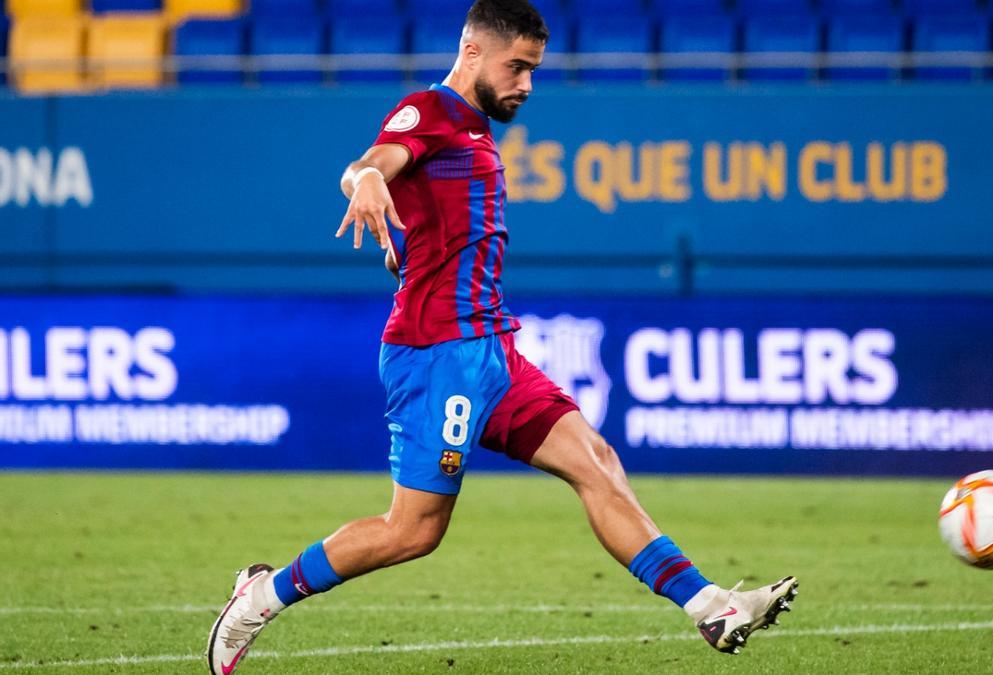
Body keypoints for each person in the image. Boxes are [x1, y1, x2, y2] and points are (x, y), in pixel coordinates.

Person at [205, 2, 795, 672]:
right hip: (436, 355)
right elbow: (371, 161)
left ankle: (710, 605)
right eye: (517, 66)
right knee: (414, 531)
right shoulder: (430, 112)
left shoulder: (476, 129)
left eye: (534, 70)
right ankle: (262, 594)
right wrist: (366, 179)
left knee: (594, 458)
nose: (527, 83)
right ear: (473, 50)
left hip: (491, 348)